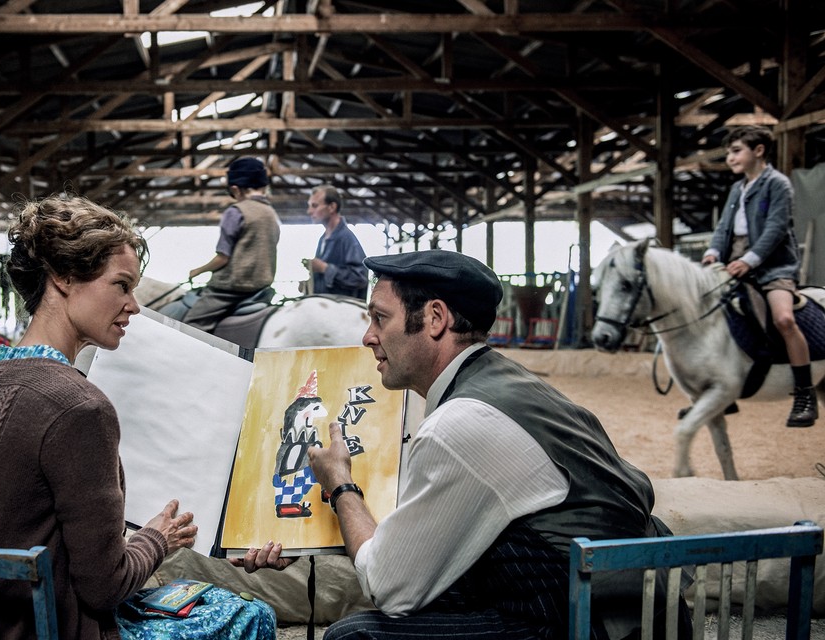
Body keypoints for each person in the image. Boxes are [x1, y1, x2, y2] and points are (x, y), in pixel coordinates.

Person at [234, 250, 688, 640]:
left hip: (590, 623)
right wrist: (310, 536)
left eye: (380, 318)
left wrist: (339, 485)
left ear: (435, 319)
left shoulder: (460, 423)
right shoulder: (513, 384)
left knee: (355, 636)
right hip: (629, 607)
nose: (368, 336)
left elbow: (388, 586)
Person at [0, 196, 272, 640]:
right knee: (249, 613)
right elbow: (104, 587)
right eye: (122, 285)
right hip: (51, 631)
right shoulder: (79, 406)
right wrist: (158, 538)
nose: (134, 305)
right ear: (63, 277)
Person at [701, 125, 816, 427]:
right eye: (728, 152)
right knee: (705, 313)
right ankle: (721, 389)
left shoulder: (778, 184)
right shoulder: (737, 189)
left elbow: (775, 229)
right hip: (735, 263)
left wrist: (749, 261)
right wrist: (713, 252)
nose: (730, 157)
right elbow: (724, 227)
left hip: (773, 267)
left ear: (759, 151)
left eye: (736, 151)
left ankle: (805, 394)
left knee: (784, 319)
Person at [184, 157, 281, 331]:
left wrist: (197, 271)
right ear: (264, 186)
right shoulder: (271, 214)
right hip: (262, 287)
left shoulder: (236, 212)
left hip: (230, 289)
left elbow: (223, 257)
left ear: (235, 189)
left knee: (190, 327)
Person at [302, 185, 368, 299]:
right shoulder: (323, 239)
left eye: (315, 206)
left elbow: (360, 278)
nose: (309, 211)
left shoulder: (346, 238)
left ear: (332, 207)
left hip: (342, 308)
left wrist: (325, 268)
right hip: (327, 306)